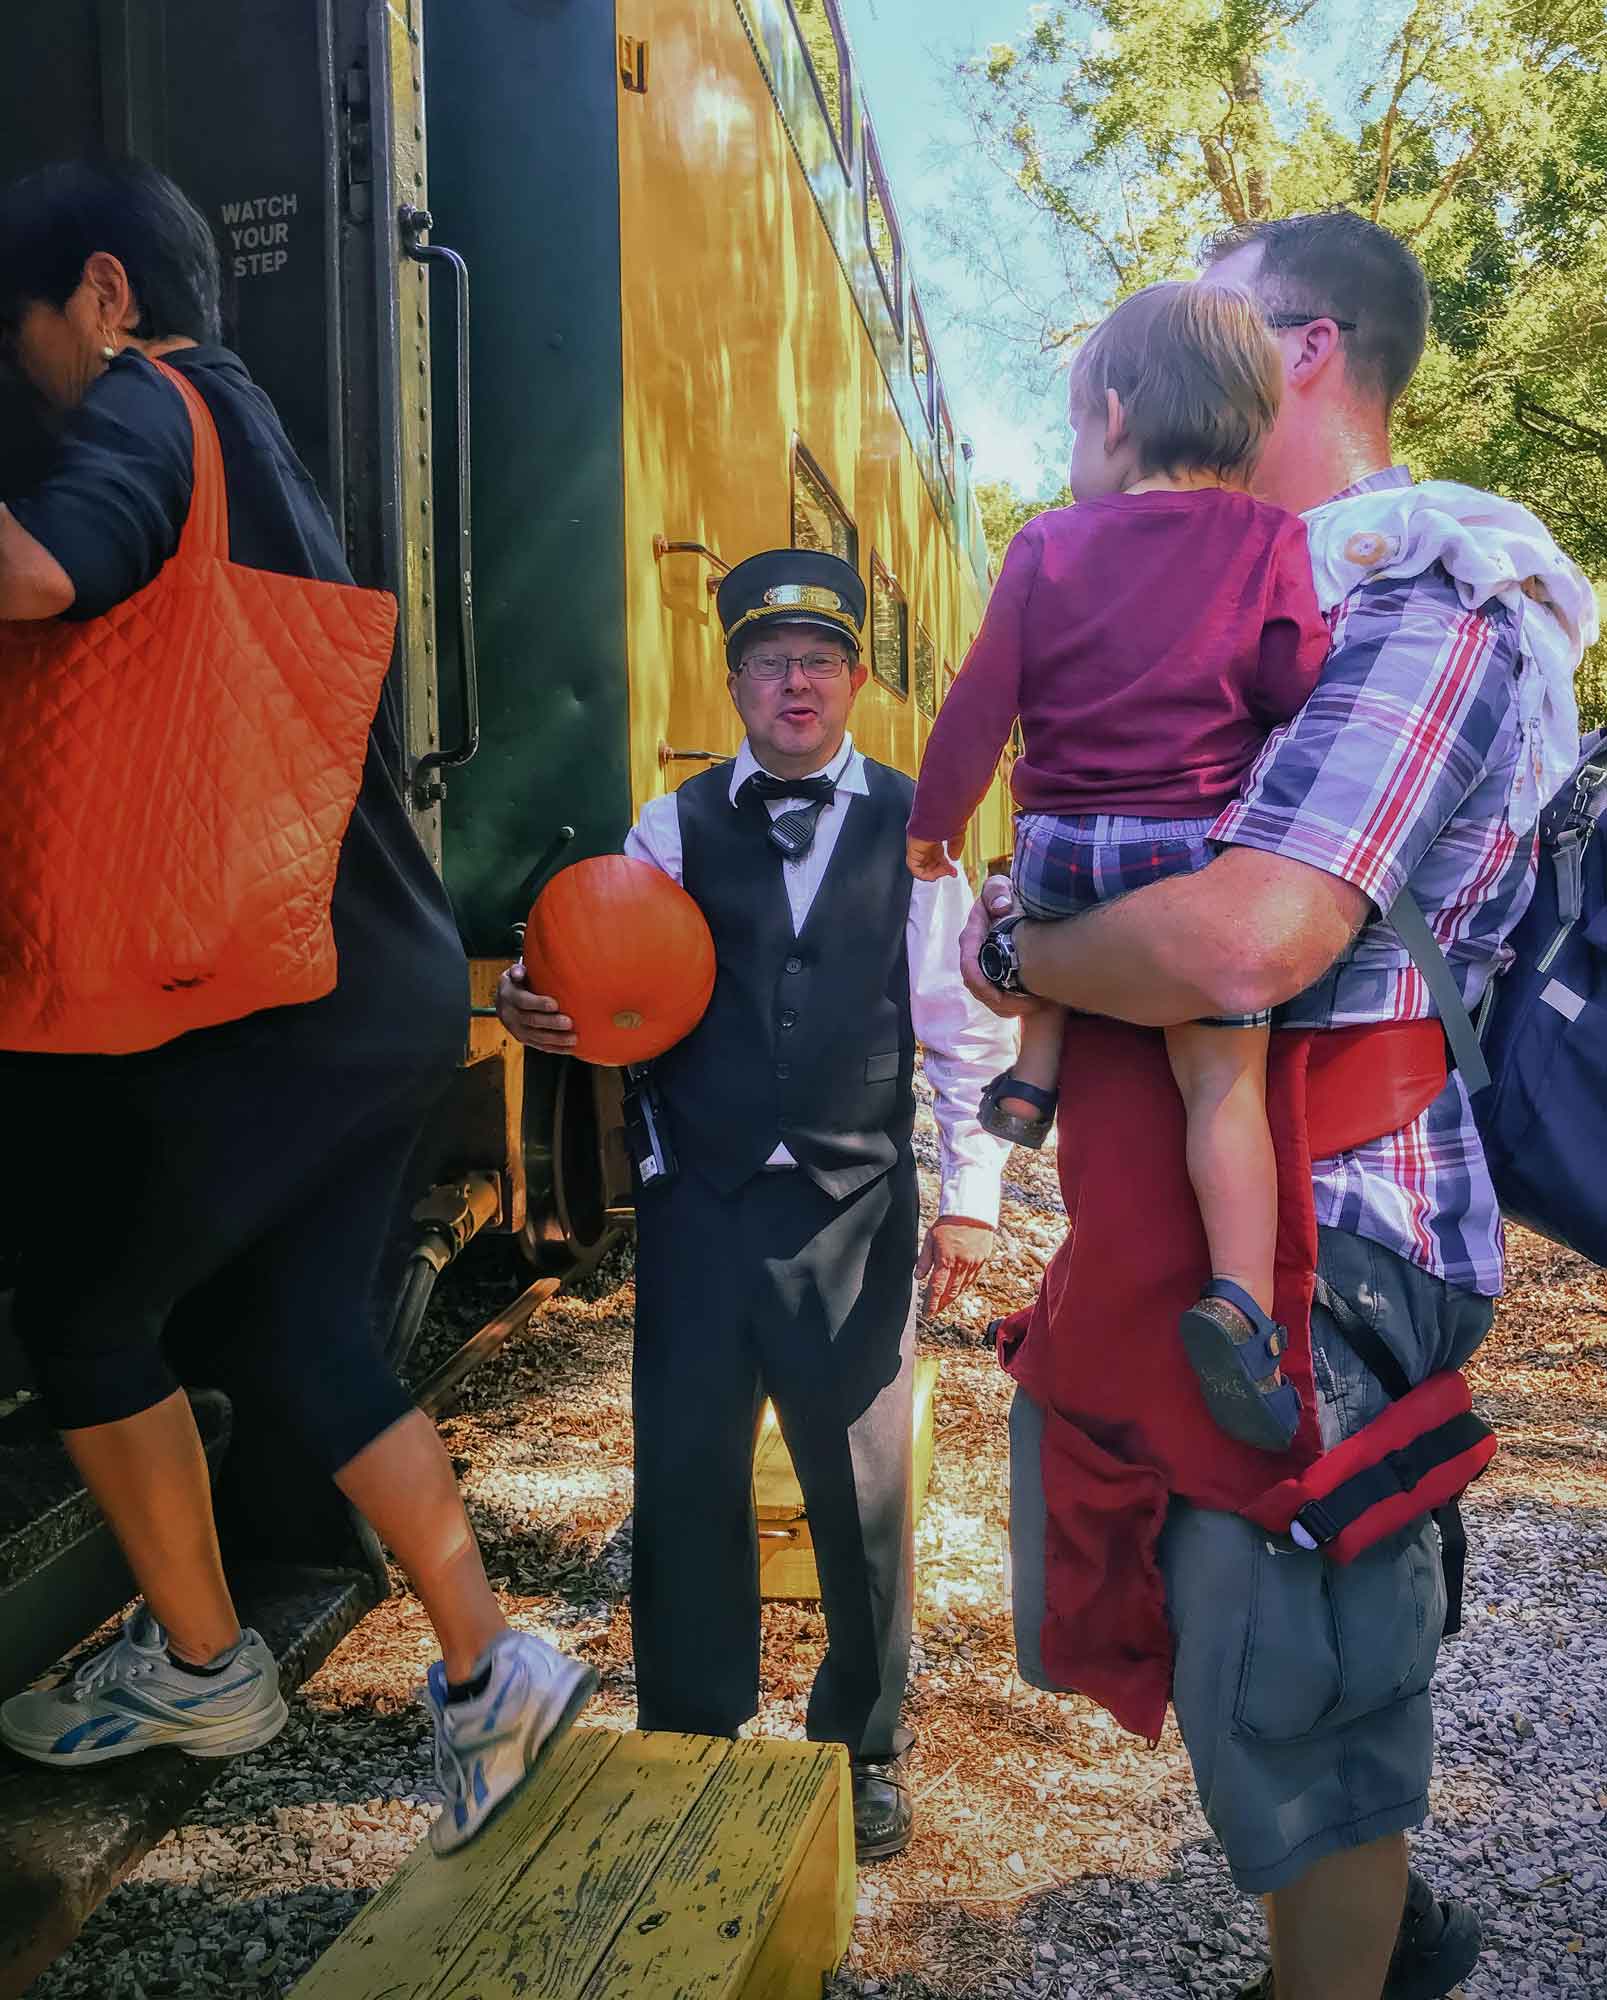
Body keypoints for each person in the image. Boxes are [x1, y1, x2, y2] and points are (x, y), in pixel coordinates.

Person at [964, 212, 1594, 2000]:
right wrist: (1064, 940)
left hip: (1346, 1226)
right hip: (1236, 1204)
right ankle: (1362, 1943)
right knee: (1245, 1664)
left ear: (1304, 353)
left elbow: (1247, 936)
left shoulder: (1428, 599)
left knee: (1297, 1706)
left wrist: (1031, 931)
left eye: (1208, 331)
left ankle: (1354, 1959)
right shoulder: (1245, 588)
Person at [0, 159, 591, 1854]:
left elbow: (43, 578)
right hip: (379, 979)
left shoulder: (143, 405)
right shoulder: (246, 426)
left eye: (23, 334)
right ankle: (495, 1664)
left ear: (105, 295)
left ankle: (204, 1663)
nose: (29, 372)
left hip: (283, 991)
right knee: (310, 1338)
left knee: (89, 1313)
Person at [498, 548, 1014, 1860]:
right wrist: (528, 1005)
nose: (797, 681)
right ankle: (692, 1730)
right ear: (731, 681)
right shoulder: (665, 828)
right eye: (770, 662)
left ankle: (861, 1746)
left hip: (851, 1208)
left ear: (851, 682)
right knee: (682, 1472)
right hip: (700, 1207)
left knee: (860, 1495)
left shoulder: (916, 831)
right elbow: (596, 966)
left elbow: (959, 1034)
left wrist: (970, 1200)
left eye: (822, 661)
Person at [907, 281, 1330, 1452]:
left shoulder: (1044, 541)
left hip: (1056, 841)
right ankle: (1240, 1300)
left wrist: (932, 823)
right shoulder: (1270, 541)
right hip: (1183, 842)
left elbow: (979, 700)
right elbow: (1295, 682)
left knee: (1039, 929)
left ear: (1110, 412)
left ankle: (1030, 1079)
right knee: (1217, 1087)